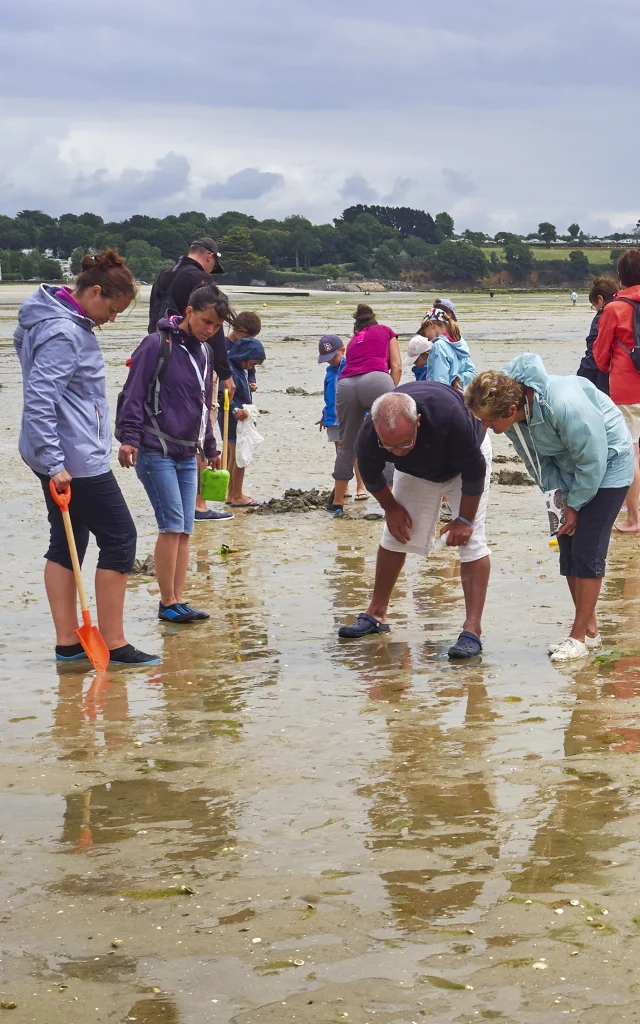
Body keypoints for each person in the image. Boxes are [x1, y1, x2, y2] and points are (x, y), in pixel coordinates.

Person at [14, 250, 160, 666]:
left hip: (57, 451)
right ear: (94, 291)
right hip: (73, 458)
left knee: (69, 542)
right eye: (112, 309)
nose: (112, 318)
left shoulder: (47, 316)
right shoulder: (64, 331)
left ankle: (68, 645)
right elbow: (40, 398)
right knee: (120, 539)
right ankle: (113, 643)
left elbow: (21, 347)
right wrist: (55, 462)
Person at [465, 354, 633, 662]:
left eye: (489, 422)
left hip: (609, 464)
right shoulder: (514, 420)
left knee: (588, 550)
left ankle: (578, 637)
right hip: (571, 469)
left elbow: (592, 459)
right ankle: (590, 632)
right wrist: (559, 501)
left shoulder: (563, 405)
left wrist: (577, 504)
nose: (487, 428)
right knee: (567, 544)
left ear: (511, 410)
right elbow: (538, 461)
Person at [338, 384, 492, 659]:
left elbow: (474, 471)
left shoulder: (450, 416)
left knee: (472, 540)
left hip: (464, 467)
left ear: (417, 421)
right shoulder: (370, 433)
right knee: (395, 534)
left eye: (404, 443)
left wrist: (464, 520)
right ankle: (376, 614)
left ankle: (472, 630)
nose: (397, 452)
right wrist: (391, 508)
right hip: (416, 472)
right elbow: (371, 474)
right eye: (390, 446)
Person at [117, 284, 233, 623]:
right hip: (156, 449)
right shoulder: (157, 344)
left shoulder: (205, 352)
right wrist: (129, 438)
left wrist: (210, 446)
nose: (210, 330)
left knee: (185, 529)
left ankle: (178, 599)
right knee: (170, 526)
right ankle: (167, 603)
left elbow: (202, 403)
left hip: (187, 453)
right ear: (190, 312)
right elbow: (133, 392)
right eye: (206, 322)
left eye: (216, 326)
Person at [148, 237, 235, 523]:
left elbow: (153, 318)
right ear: (209, 257)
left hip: (161, 353)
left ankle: (178, 499)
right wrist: (225, 373)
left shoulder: (164, 276)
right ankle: (197, 504)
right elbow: (214, 327)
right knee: (197, 425)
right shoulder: (200, 279)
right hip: (192, 357)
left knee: (168, 423)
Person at [330, 304, 402, 514]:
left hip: (346, 385)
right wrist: (393, 391)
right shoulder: (386, 331)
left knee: (346, 444)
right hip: (377, 380)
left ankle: (337, 503)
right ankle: (389, 502)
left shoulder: (353, 341)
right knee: (389, 440)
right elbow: (396, 366)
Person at [593, 250, 640, 534]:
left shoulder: (614, 309)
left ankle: (634, 519)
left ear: (620, 276)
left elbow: (599, 356)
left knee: (630, 452)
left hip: (626, 389)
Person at [317, 334, 367, 499]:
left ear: (343, 350)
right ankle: (343, 487)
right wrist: (325, 415)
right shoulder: (329, 373)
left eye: (333, 357)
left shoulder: (351, 368)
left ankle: (361, 486)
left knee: (356, 453)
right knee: (341, 453)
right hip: (333, 418)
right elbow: (328, 397)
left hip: (352, 417)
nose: (330, 361)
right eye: (327, 359)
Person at [222, 337, 267, 507]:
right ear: (243, 357)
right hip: (234, 417)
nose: (251, 367)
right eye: (251, 363)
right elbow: (223, 395)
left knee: (235, 455)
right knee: (240, 456)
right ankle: (236, 495)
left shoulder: (240, 369)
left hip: (240, 415)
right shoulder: (231, 372)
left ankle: (233, 493)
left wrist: (251, 382)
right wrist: (235, 410)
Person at [576, 276, 617, 395]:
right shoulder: (628, 311)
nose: (596, 309)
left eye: (594, 306)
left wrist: (578, 382)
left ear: (600, 299)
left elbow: (593, 354)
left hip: (606, 384)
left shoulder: (602, 317)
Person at [421, 307, 477, 390]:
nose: (425, 336)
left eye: (424, 331)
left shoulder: (439, 346)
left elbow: (439, 383)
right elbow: (472, 373)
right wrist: (458, 378)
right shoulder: (459, 342)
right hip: (456, 396)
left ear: (431, 325)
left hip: (441, 397)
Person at [225, 310, 262, 393]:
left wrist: (251, 381)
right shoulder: (222, 347)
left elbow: (251, 369)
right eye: (245, 337)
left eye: (252, 338)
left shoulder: (248, 348)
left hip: (244, 396)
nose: (248, 341)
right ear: (236, 328)